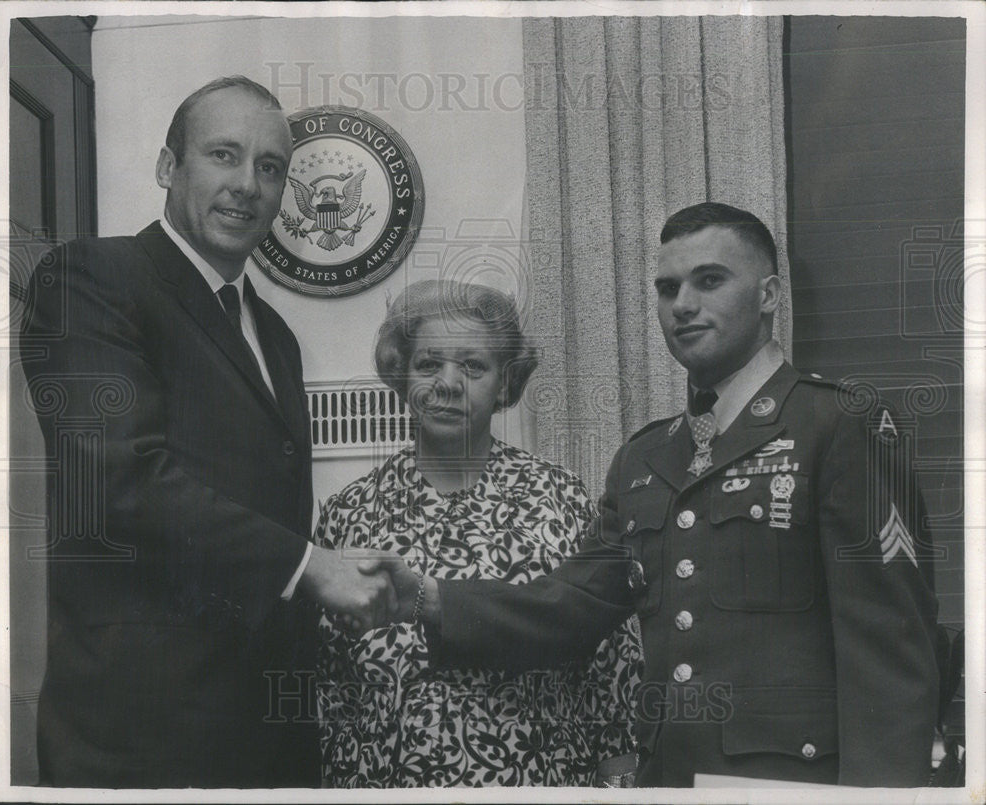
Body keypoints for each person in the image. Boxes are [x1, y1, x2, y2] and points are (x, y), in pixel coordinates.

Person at [370, 203, 941, 787]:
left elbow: (890, 654)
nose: (683, 305)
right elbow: (568, 607)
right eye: (668, 289)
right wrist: (428, 598)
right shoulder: (646, 457)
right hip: (668, 780)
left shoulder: (839, 423)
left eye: (709, 280)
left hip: (792, 786)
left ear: (769, 295)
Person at [19, 76, 397, 788]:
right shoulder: (92, 278)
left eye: (270, 167)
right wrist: (312, 566)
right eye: (223, 155)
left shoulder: (275, 334)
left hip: (268, 735)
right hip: (140, 733)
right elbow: (117, 481)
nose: (247, 185)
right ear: (170, 168)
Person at [314, 280, 641, 787]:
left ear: (505, 383)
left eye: (473, 367)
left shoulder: (561, 498)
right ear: (402, 375)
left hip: (540, 780)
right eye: (428, 365)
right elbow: (331, 682)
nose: (447, 383)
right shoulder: (349, 513)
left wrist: (620, 771)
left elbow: (613, 658)